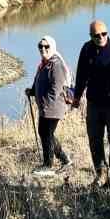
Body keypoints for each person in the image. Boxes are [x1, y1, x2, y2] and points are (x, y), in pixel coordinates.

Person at [74, 20, 110, 186]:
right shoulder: (86, 49)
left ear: (107, 33)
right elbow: (81, 75)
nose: (100, 37)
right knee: (95, 139)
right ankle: (101, 173)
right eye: (96, 35)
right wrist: (77, 97)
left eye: (103, 34)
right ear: (91, 36)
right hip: (94, 104)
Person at [27, 36, 73, 176]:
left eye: (46, 46)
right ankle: (65, 160)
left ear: (52, 47)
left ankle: (48, 165)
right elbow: (39, 81)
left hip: (53, 107)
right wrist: (32, 91)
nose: (43, 49)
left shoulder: (56, 64)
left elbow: (56, 87)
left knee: (46, 133)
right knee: (47, 134)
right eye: (40, 46)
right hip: (46, 107)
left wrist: (45, 103)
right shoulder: (44, 63)